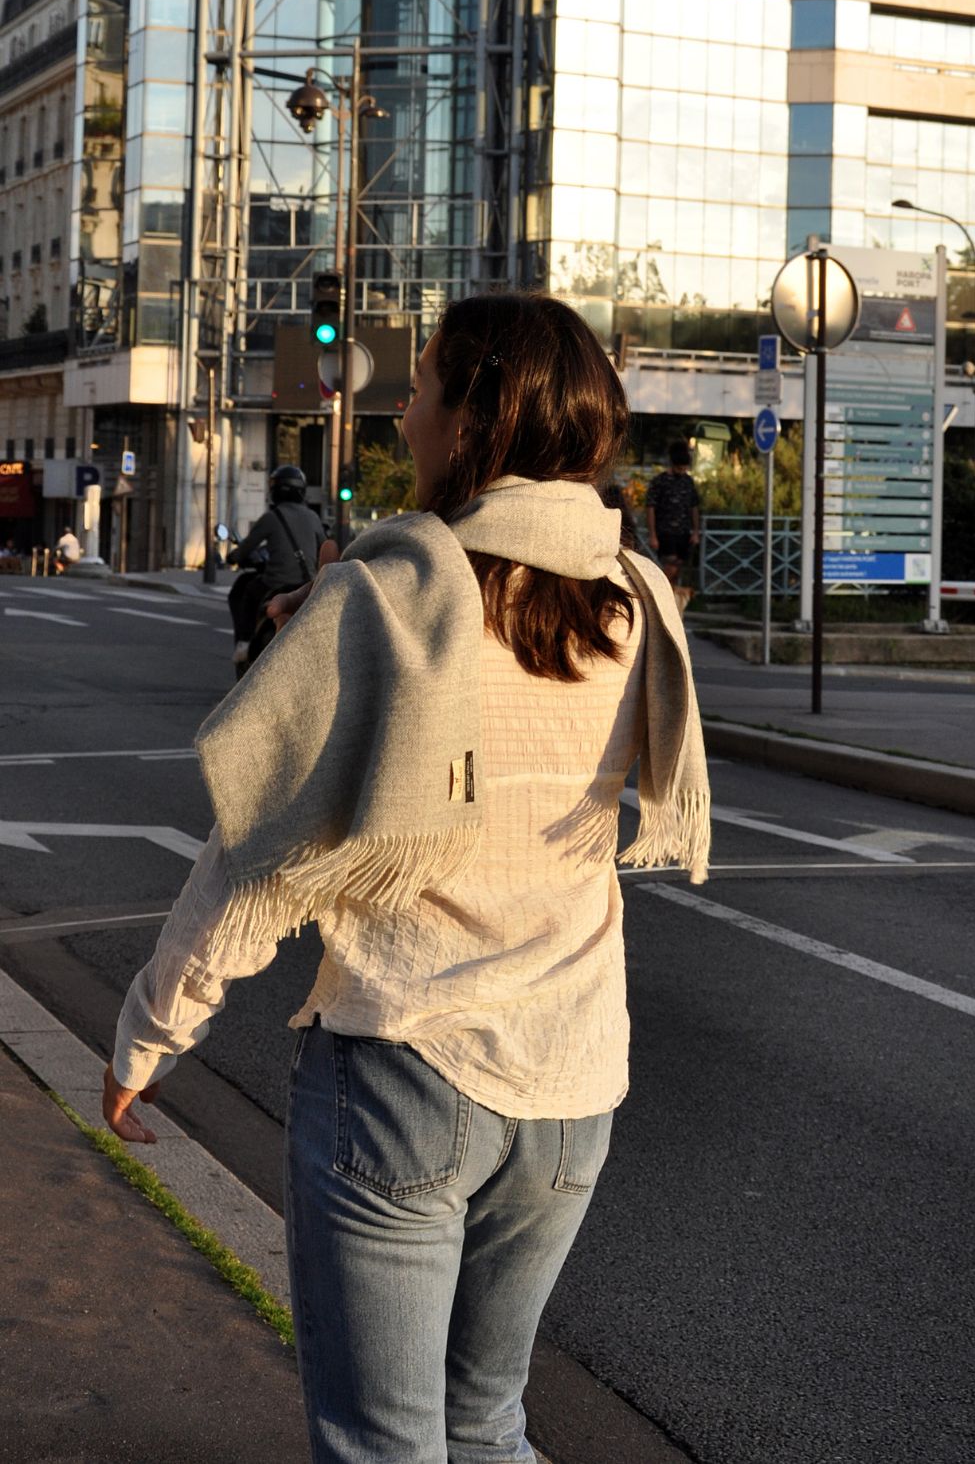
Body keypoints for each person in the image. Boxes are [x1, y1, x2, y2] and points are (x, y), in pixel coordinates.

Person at [104, 292, 710, 1464]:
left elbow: (260, 859)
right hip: (573, 1083)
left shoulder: (385, 594)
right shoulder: (639, 598)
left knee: (382, 1443)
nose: (403, 410)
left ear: (478, 415)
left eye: (423, 386)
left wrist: (149, 1035)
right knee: (487, 1425)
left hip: (402, 1066)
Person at [226, 465, 326, 665]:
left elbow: (247, 547)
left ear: (275, 490)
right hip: (306, 583)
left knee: (244, 592)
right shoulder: (314, 517)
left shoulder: (272, 517)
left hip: (275, 584)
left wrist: (233, 557)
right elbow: (324, 546)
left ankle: (244, 643)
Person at [645, 439, 701, 585]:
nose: (682, 472)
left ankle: (673, 599)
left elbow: (694, 507)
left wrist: (696, 531)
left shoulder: (688, 481)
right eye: (679, 469)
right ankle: (660, 593)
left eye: (684, 469)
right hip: (665, 532)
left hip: (684, 533)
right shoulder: (660, 481)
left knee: (678, 569)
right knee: (670, 567)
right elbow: (650, 507)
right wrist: (652, 535)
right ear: (673, 464)